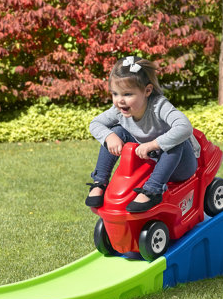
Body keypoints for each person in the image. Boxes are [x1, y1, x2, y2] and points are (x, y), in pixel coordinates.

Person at [85, 56, 200, 212]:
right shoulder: (119, 111)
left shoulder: (158, 106)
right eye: (115, 94)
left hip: (180, 165)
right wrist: (109, 137)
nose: (120, 101)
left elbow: (185, 127)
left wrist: (154, 144)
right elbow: (95, 124)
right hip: (150, 161)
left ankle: (153, 190)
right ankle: (100, 181)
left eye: (127, 94)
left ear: (147, 91)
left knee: (176, 142)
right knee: (116, 131)